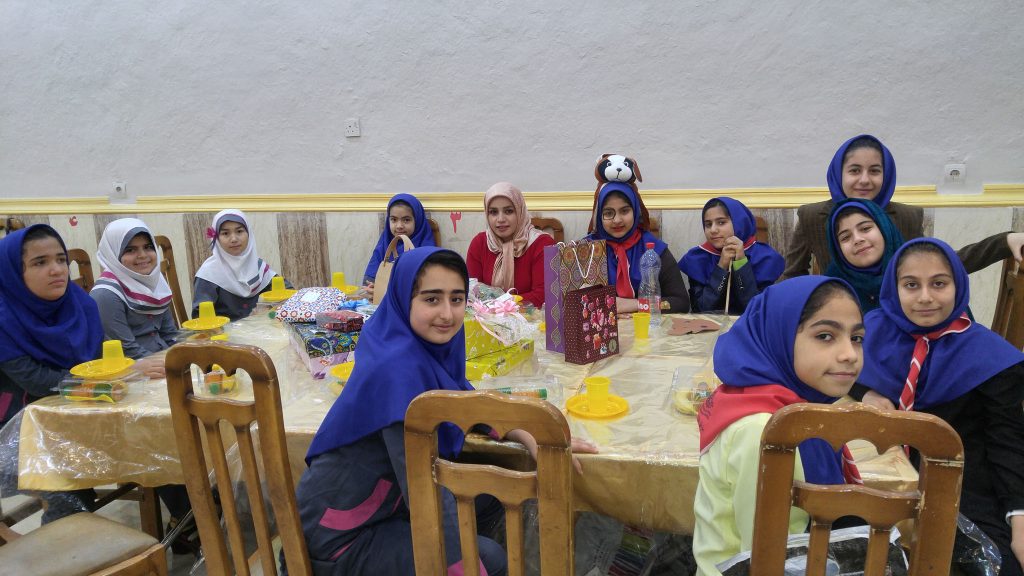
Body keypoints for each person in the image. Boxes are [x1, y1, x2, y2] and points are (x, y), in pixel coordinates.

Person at [295, 247, 596, 575]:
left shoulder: (408, 343)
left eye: (456, 299)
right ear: (403, 298)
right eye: (432, 299)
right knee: (489, 559)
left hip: (383, 506)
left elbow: (463, 399)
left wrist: (531, 434)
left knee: (491, 494)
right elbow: (426, 489)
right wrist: (464, 566)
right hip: (342, 538)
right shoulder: (396, 371)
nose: (447, 314)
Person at [855, 238, 1024, 575]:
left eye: (939, 284)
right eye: (911, 285)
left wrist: (1019, 521)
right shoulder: (868, 334)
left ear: (958, 285)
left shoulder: (992, 358)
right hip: (878, 475)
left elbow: (1007, 443)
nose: (925, 297)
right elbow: (831, 375)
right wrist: (865, 392)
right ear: (893, 288)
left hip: (961, 482)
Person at [693, 276, 865, 575]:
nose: (849, 354)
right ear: (778, 336)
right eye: (825, 336)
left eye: (857, 338)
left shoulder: (784, 405)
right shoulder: (766, 431)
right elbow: (771, 558)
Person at [781, 134, 1020, 279]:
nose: (864, 180)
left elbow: (936, 264)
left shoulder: (906, 216)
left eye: (875, 171)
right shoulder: (813, 216)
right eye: (854, 170)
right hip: (840, 320)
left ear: (886, 176)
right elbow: (792, 276)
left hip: (896, 319)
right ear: (838, 173)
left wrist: (1004, 241)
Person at [0, 224, 103, 522]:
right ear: (13, 272)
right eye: (39, 263)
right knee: (72, 489)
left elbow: (100, 359)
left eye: (61, 259)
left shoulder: (79, 304)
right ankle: (65, 542)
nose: (57, 270)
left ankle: (185, 522)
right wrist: (95, 384)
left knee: (148, 437)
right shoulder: (5, 318)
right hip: (18, 431)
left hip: (71, 413)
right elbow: (36, 380)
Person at [90, 218, 176, 377]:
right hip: (133, 373)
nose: (142, 255)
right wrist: (170, 366)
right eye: (130, 250)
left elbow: (170, 334)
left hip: (161, 360)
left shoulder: (155, 281)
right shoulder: (106, 294)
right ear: (113, 254)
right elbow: (127, 350)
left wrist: (183, 357)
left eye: (148, 247)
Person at [587, 182, 689, 313]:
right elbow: (572, 305)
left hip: (646, 325)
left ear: (635, 211)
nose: (617, 220)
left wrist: (635, 305)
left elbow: (681, 303)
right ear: (599, 216)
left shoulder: (654, 249)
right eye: (608, 213)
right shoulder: (586, 251)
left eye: (624, 211)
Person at [679, 197, 784, 314]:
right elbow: (701, 309)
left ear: (739, 222)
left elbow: (756, 310)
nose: (713, 230)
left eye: (721, 222)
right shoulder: (698, 258)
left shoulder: (764, 257)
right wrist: (721, 266)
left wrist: (741, 263)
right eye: (708, 224)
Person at [466, 182, 555, 307]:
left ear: (520, 211)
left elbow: (543, 296)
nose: (501, 219)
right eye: (493, 212)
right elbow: (471, 292)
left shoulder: (542, 244)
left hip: (533, 317)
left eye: (508, 211)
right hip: (485, 317)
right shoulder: (479, 243)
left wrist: (501, 305)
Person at [192, 209, 279, 321]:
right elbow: (200, 317)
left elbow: (289, 298)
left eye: (239, 231)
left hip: (262, 329)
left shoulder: (259, 268)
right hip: (223, 332)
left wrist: (270, 312)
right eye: (225, 233)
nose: (233, 239)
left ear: (249, 233)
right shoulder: (209, 274)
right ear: (216, 238)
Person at [823, 198, 904, 312]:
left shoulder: (914, 273)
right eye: (845, 237)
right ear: (838, 249)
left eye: (865, 228)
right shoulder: (829, 290)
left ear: (884, 228)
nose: (857, 239)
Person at [362, 193, 436, 300]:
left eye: (406, 220)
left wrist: (387, 293)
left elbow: (429, 289)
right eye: (394, 219)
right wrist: (371, 290)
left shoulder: (427, 249)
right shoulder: (385, 244)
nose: (399, 226)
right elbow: (367, 284)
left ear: (418, 220)